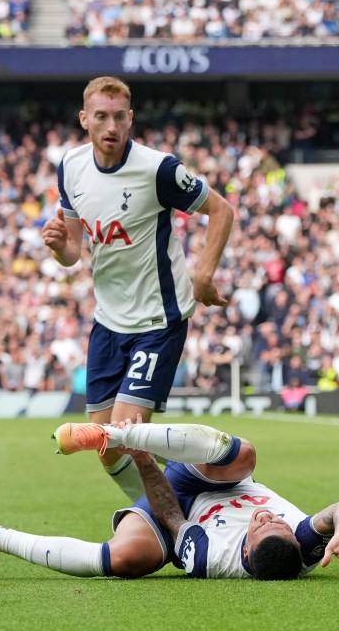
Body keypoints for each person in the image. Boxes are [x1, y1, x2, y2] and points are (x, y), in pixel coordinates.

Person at [41, 76, 234, 499]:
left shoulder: (157, 169)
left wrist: (202, 275)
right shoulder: (71, 166)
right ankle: (184, 501)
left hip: (158, 317)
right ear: (84, 120)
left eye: (118, 117)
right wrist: (59, 247)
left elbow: (221, 209)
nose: (110, 126)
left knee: (126, 434)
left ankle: (175, 522)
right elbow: (74, 250)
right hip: (108, 320)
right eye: (100, 117)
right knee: (106, 447)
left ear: (130, 119)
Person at [0, 420, 339, 583]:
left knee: (126, 558)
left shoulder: (211, 557)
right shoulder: (300, 545)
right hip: (214, 476)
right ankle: (112, 434)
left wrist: (146, 462)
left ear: (246, 549)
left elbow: (169, 513)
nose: (267, 514)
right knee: (245, 455)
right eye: (277, 521)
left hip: (181, 508)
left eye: (262, 525)